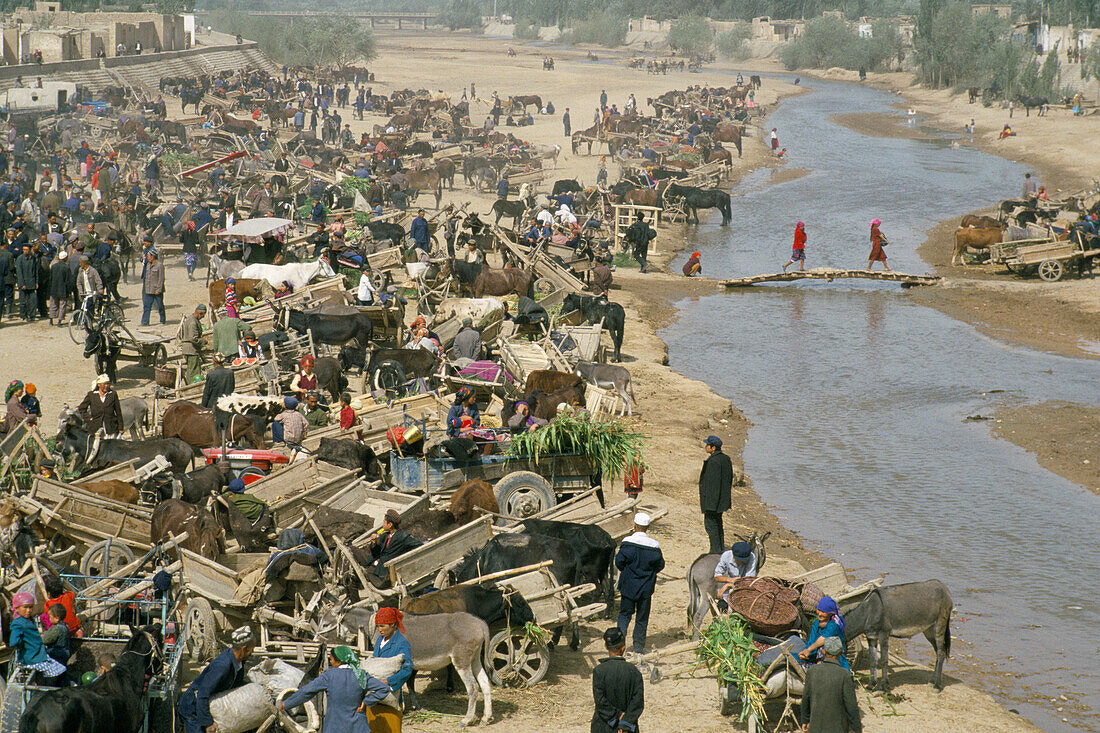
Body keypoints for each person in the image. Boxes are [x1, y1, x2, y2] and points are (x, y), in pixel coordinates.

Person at [281, 645, 394, 733]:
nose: (330, 662)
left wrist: (287, 704)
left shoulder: (329, 675)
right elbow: (384, 688)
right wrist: (367, 701)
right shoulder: (361, 675)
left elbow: (306, 692)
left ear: (339, 661)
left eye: (331, 660)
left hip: (334, 727)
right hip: (358, 727)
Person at [177, 626, 255, 733]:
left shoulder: (239, 662)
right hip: (193, 708)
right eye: (252, 649)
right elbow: (202, 693)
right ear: (244, 649)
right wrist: (207, 723)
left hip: (208, 704)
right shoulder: (223, 666)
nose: (252, 652)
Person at [615, 513, 664, 655]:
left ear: (635, 526)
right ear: (648, 527)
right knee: (642, 618)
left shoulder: (627, 543)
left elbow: (619, 562)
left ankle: (619, 646)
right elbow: (660, 565)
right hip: (646, 589)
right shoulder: (654, 546)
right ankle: (638, 648)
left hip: (628, 587)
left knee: (624, 615)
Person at [800, 636, 862, 733]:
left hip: (815, 728)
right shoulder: (844, 675)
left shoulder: (813, 671)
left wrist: (805, 720)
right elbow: (851, 707)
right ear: (841, 652)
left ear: (824, 651)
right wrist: (857, 729)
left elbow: (806, 699)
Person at [591, 627, 644, 733]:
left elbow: (600, 701)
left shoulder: (599, 671)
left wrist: (616, 718)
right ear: (623, 648)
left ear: (606, 646)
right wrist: (624, 723)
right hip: (628, 728)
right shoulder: (634, 671)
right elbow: (637, 702)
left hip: (604, 726)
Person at [9, 592, 67, 682]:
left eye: (30, 607)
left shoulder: (29, 619)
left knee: (61, 669)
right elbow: (13, 642)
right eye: (25, 607)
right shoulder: (18, 623)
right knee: (56, 672)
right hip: (32, 658)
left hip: (38, 654)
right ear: (16, 608)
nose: (28, 610)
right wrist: (24, 644)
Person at [369, 510, 423, 588]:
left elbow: (419, 545)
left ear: (390, 524)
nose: (383, 525)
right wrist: (374, 543)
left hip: (387, 570)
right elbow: (376, 553)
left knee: (367, 572)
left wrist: (405, 555)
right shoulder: (385, 536)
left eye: (384, 522)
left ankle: (379, 582)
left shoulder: (402, 537)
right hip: (379, 563)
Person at [699, 435, 733, 555]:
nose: (706, 447)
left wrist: (710, 504)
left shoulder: (713, 462)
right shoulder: (726, 459)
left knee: (711, 525)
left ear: (713, 448)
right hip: (722, 500)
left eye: (707, 445)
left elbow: (713, 485)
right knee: (718, 524)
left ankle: (715, 551)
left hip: (713, 501)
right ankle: (720, 547)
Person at [373, 606, 414, 699]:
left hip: (390, 691)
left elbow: (407, 668)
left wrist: (389, 681)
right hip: (375, 685)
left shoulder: (401, 643)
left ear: (393, 625)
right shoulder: (380, 639)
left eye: (382, 626)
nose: (379, 629)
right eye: (378, 626)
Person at [799, 597, 850, 670]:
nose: (819, 614)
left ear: (830, 613)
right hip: (815, 654)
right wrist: (804, 652)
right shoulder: (816, 624)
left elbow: (822, 640)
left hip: (833, 657)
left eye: (823, 612)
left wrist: (808, 650)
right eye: (818, 610)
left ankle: (821, 669)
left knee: (822, 647)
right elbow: (811, 641)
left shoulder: (833, 625)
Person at [714, 541, 757, 606]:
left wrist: (728, 585)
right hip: (728, 592)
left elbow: (749, 580)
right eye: (739, 560)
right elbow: (717, 576)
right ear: (733, 555)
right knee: (721, 605)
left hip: (744, 589)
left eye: (744, 560)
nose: (742, 562)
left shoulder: (752, 557)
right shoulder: (726, 556)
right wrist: (729, 580)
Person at [179, 305, 206, 385]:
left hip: (189, 349)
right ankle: (191, 387)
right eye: (203, 315)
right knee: (193, 371)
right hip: (191, 350)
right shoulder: (193, 322)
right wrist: (203, 341)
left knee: (191, 369)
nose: (202, 317)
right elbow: (193, 338)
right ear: (200, 313)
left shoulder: (191, 319)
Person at [41, 604, 71, 670]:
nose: (49, 618)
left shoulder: (56, 629)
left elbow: (45, 640)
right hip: (65, 653)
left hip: (56, 654)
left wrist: (42, 636)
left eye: (50, 617)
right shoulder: (66, 626)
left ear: (57, 618)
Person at [141, 249, 165, 326]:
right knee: (147, 306)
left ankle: (162, 320)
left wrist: (158, 289)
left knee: (160, 306)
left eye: (148, 256)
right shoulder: (148, 265)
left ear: (153, 256)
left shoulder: (159, 265)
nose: (147, 258)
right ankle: (145, 322)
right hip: (148, 290)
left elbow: (161, 278)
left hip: (157, 290)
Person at [48, 250, 72, 326]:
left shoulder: (54, 266)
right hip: (62, 290)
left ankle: (51, 320)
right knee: (62, 305)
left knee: (53, 305)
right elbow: (68, 281)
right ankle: (59, 321)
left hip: (54, 289)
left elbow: (50, 278)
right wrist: (69, 291)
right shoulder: (66, 267)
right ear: (65, 258)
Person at [15, 243, 37, 322]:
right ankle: (23, 315)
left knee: (33, 301)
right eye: (24, 250)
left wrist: (36, 282)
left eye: (26, 250)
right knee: (23, 302)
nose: (25, 251)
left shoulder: (33, 258)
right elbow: (19, 273)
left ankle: (32, 315)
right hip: (23, 283)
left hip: (31, 283)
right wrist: (22, 284)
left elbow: (35, 271)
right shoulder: (20, 259)